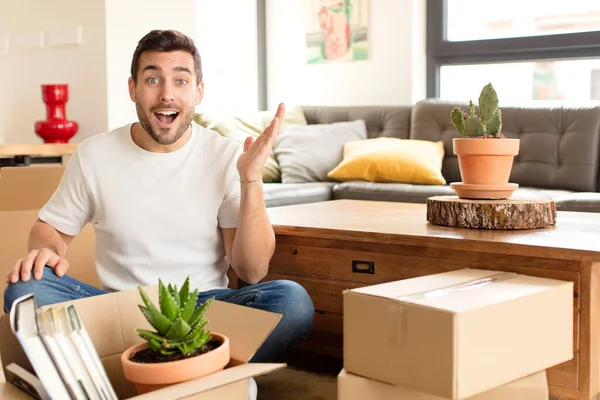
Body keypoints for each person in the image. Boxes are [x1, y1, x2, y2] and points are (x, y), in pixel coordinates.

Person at [3, 29, 315, 365]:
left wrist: (251, 179)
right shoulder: (94, 154)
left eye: (180, 81)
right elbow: (49, 229)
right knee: (24, 291)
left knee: (292, 301)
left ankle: (147, 367)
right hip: (120, 311)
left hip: (204, 312)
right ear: (133, 88)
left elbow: (251, 272)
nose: (166, 94)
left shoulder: (225, 155)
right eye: (153, 80)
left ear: (198, 92)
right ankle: (201, 367)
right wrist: (44, 253)